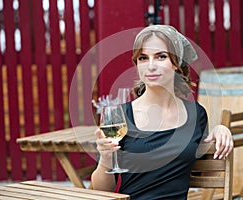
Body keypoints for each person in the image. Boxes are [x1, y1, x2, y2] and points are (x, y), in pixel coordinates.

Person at [91, 25, 233, 199]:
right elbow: (99, 192)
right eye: (143, 58)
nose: (150, 66)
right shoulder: (119, 117)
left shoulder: (196, 115)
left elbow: (202, 173)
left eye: (161, 56)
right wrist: (105, 159)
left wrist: (219, 129)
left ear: (177, 63)